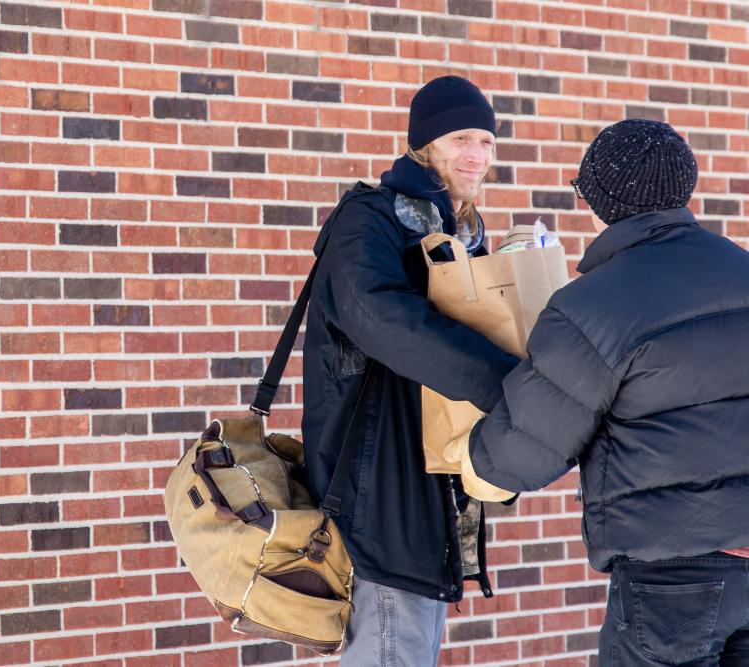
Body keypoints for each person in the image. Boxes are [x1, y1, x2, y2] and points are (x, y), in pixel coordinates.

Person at [451, 118, 749, 665]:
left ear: (599, 200)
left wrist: (468, 458)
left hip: (671, 579)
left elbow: (519, 453)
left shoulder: (593, 306)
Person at [301, 75, 520, 665]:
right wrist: (510, 384)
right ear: (424, 145)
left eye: (486, 141)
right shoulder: (370, 220)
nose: (477, 154)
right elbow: (381, 317)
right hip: (377, 489)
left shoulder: (460, 234)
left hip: (427, 491)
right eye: (459, 139)